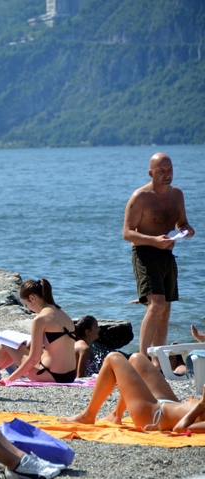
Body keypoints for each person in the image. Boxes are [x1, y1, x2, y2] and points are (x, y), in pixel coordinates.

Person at [123, 152, 195, 361]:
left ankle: (158, 361)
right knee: (156, 304)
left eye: (170, 170)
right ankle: (141, 357)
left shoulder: (177, 195)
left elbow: (181, 222)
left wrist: (186, 229)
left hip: (168, 255)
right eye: (161, 171)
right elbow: (127, 233)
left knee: (165, 308)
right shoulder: (140, 197)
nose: (167, 174)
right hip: (145, 254)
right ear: (151, 173)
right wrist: (155, 241)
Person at [60, 352, 205, 433]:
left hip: (154, 417)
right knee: (137, 358)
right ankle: (116, 414)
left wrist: (201, 404)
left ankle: (88, 415)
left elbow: (180, 428)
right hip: (169, 403)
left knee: (113, 358)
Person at [0, 278, 77, 384]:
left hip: (49, 374)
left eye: (26, 304)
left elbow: (33, 359)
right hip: (70, 375)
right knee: (23, 344)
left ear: (32, 298)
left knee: (6, 344)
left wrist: (9, 379)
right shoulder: (63, 314)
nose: (28, 309)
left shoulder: (40, 319)